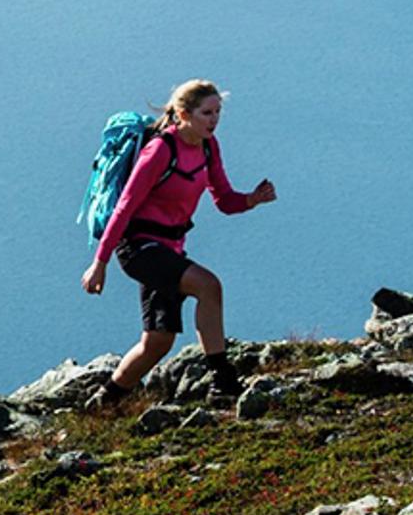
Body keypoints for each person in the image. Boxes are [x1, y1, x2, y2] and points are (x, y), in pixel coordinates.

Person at [83, 78, 277, 401]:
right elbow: (124, 207)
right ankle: (223, 382)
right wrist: (99, 264)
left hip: (171, 247)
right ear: (184, 114)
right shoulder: (160, 150)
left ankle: (103, 402)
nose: (214, 120)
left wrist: (252, 199)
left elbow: (224, 200)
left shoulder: (208, 147)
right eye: (206, 113)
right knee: (208, 286)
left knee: (158, 342)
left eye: (218, 112)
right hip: (138, 248)